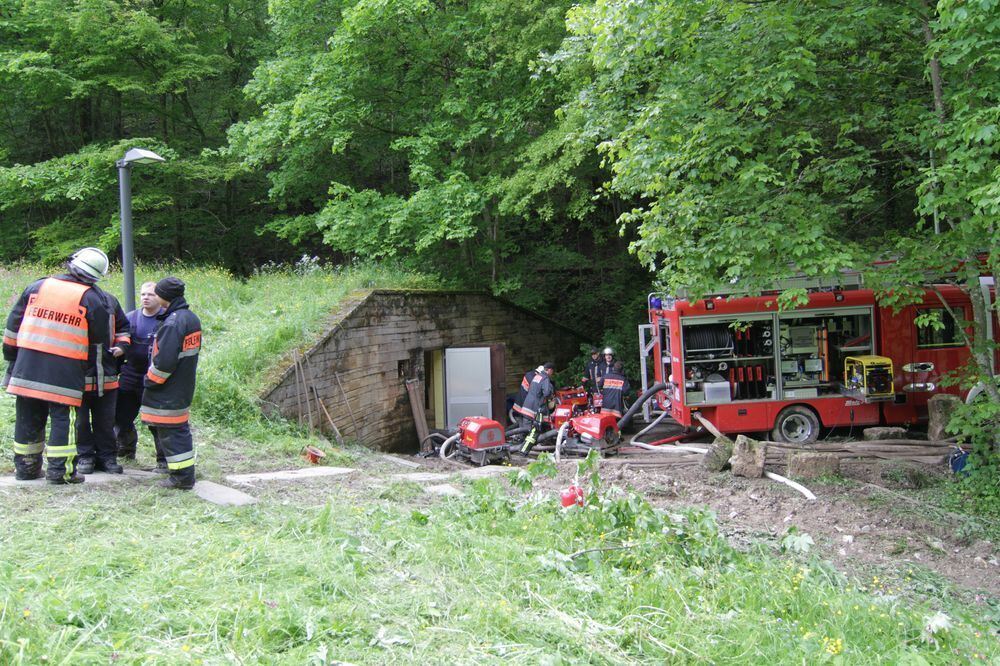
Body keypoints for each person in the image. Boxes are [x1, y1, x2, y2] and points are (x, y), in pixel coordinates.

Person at [2, 248, 114, 484]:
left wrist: (12, 360)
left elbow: (13, 327)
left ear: (72, 263)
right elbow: (100, 341)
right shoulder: (93, 299)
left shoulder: (37, 287)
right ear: (96, 277)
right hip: (66, 373)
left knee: (27, 417)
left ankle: (26, 468)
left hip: (27, 367)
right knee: (64, 420)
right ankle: (59, 472)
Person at [140, 277, 202, 490]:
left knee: (172, 433)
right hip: (182, 385)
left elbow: (164, 362)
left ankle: (182, 478)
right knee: (177, 430)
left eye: (156, 293)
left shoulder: (173, 323)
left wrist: (150, 380)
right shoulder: (190, 318)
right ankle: (181, 474)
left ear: (164, 296)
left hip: (167, 389)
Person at [75, 284, 131, 475]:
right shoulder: (73, 300)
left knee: (106, 421)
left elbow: (124, 328)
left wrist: (122, 347)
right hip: (78, 376)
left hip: (107, 374)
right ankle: (85, 456)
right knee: (80, 422)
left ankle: (107, 457)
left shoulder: (110, 301)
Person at [115, 282, 166, 471]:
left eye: (151, 295)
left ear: (159, 297)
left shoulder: (167, 319)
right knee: (120, 417)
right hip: (130, 374)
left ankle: (163, 460)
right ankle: (126, 450)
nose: (146, 298)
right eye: (143, 294)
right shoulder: (131, 318)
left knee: (156, 421)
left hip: (155, 377)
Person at [517, 362, 555, 455]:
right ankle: (524, 451)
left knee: (527, 431)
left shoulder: (537, 376)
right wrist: (551, 397)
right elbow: (546, 392)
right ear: (549, 370)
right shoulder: (545, 378)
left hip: (527, 406)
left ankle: (522, 449)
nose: (552, 374)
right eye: (552, 372)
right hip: (536, 409)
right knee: (535, 431)